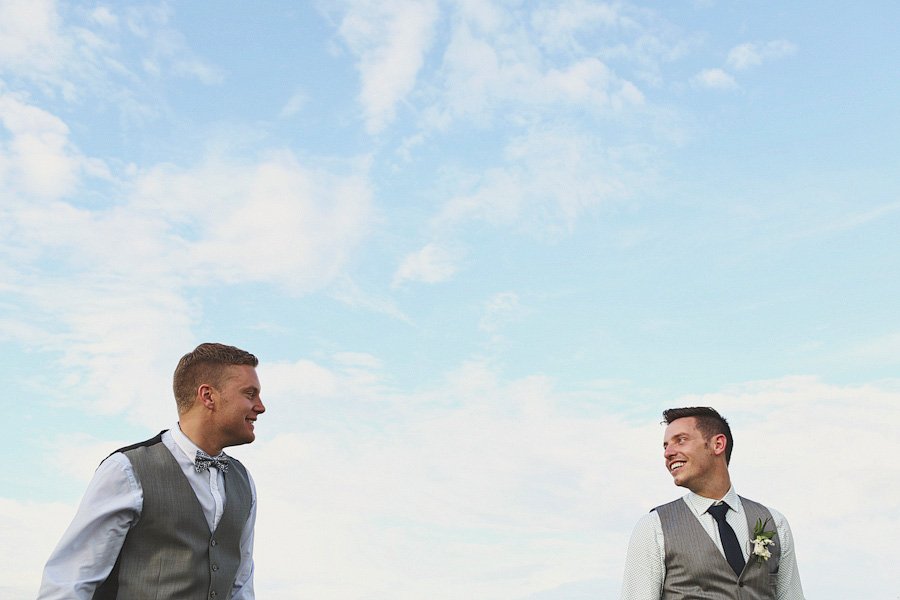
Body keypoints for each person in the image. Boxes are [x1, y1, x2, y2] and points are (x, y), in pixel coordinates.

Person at [38, 342, 266, 599]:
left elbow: (241, 586)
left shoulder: (243, 481)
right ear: (208, 396)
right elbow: (69, 582)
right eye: (250, 394)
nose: (260, 406)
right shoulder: (126, 470)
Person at [620, 407, 804, 599]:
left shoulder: (774, 522)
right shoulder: (653, 527)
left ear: (718, 444)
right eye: (665, 446)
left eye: (680, 440)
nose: (668, 453)